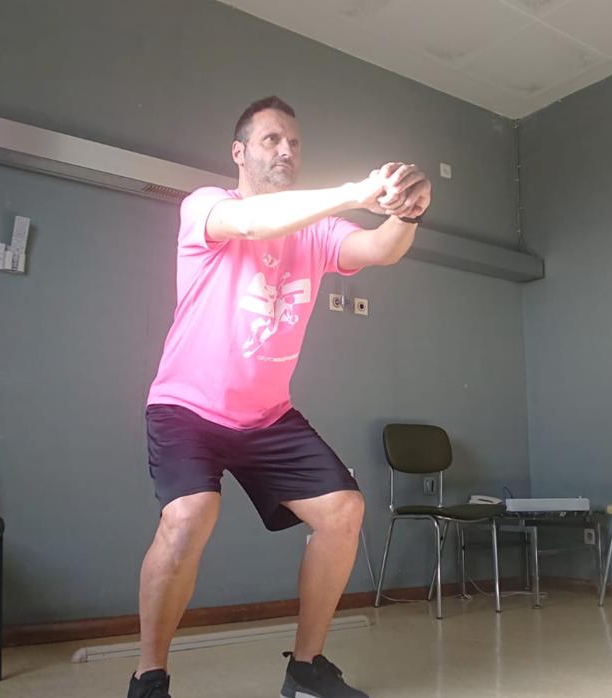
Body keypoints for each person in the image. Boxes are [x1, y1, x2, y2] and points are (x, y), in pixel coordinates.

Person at [128, 96, 431, 698]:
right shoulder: (208, 206)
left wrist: (409, 212)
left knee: (343, 511)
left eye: (293, 142)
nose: (286, 150)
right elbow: (253, 224)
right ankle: (149, 676)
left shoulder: (316, 231)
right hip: (187, 406)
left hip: (266, 416)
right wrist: (354, 190)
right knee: (189, 515)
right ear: (239, 152)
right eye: (271, 140)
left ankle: (307, 670)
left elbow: (378, 250)